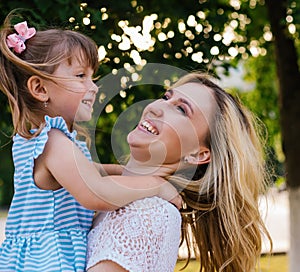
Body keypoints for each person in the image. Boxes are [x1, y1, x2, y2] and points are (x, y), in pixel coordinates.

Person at [0, 13, 181, 272]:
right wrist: (155, 185)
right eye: (80, 76)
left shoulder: (48, 141)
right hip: (48, 261)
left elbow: (89, 171)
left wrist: (122, 170)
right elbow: (95, 193)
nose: (93, 87)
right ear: (40, 89)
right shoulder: (52, 141)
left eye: (92, 77)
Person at [86, 73, 273, 272]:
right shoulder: (121, 201)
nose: (156, 107)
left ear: (197, 155)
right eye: (166, 97)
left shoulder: (147, 213)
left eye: (181, 109)